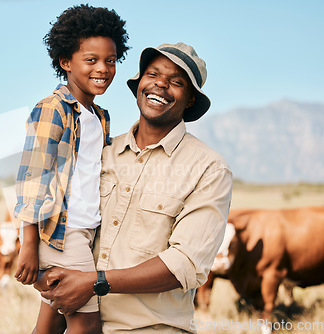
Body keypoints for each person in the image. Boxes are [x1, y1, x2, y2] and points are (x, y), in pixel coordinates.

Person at [39, 42, 233, 333]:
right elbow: (70, 231)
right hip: (78, 323)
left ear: (190, 99)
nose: (161, 85)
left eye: (176, 82)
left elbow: (186, 263)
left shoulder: (208, 169)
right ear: (139, 83)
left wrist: (95, 283)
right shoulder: (102, 152)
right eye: (153, 74)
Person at [13, 4, 129, 334]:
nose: (103, 69)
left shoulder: (99, 117)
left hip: (86, 231)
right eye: (90, 60)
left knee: (50, 324)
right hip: (63, 234)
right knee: (88, 324)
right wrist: (29, 243)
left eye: (110, 60)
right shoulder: (53, 109)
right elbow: (33, 173)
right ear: (66, 62)